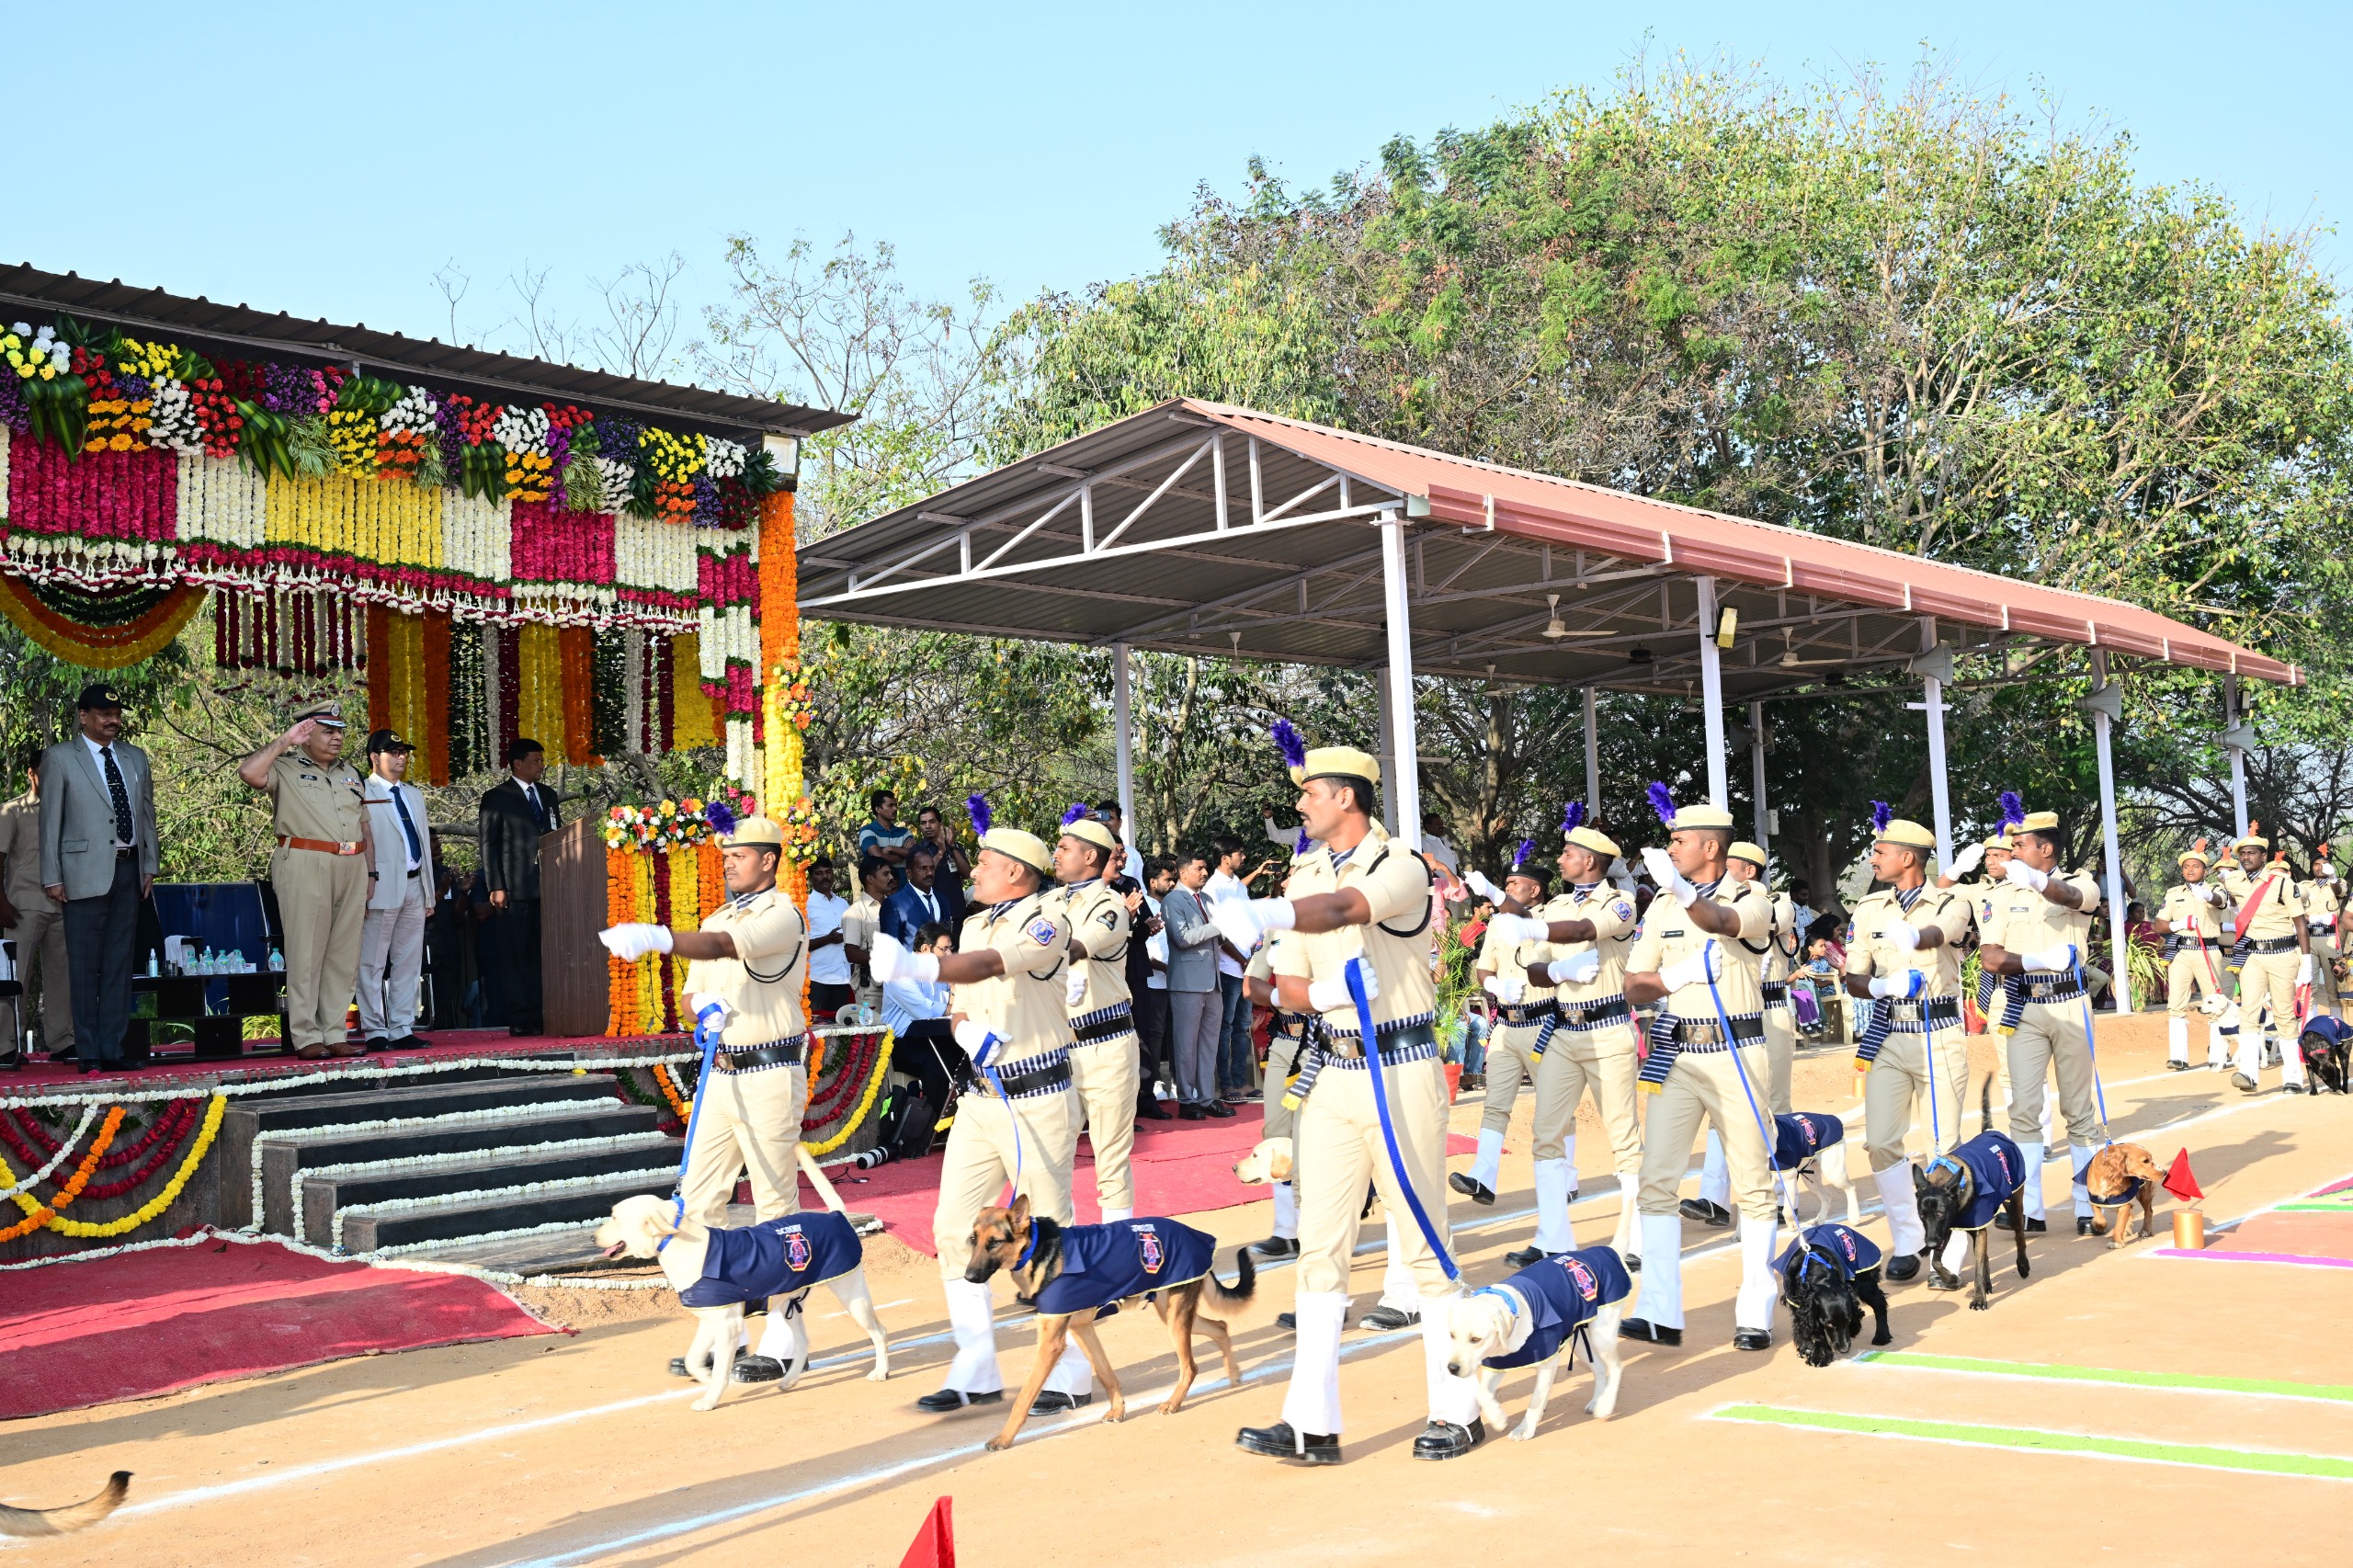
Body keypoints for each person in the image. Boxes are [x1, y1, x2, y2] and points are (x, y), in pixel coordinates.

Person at [1215, 740, 1483, 1464]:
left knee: (1424, 1239)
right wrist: (1326, 992)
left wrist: (1271, 912)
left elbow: (1344, 909)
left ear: (1346, 798)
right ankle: (1312, 1422)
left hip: (1398, 1063)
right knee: (1320, 1246)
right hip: (1331, 1066)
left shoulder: (1399, 863)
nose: (1299, 804)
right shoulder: (1306, 869)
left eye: (1310, 793)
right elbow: (1268, 988)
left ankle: (1457, 1409)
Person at [867, 815, 1095, 1416]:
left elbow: (993, 965)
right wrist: (972, 1039)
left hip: (1037, 1095)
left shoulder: (1048, 920)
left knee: (1047, 1229)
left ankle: (1069, 1368)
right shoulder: (970, 922)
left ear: (1016, 871)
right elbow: (962, 1005)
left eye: (987, 862)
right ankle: (976, 1363)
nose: (973, 869)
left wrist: (916, 967)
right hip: (981, 1096)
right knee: (952, 1227)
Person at [598, 815, 811, 1383]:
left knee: (774, 1203)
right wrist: (703, 1008)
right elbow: (693, 992)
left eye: (740, 854)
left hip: (771, 1068)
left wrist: (659, 937)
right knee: (697, 1200)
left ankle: (785, 1336)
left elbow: (722, 946)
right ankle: (726, 1330)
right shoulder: (718, 915)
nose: (729, 862)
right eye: (726, 855)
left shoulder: (781, 913)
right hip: (721, 1071)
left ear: (768, 859)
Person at [1617, 794, 1779, 1352]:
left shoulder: (1755, 897)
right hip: (1678, 1052)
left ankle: (1756, 1306)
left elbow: (1722, 921)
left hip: (1738, 1047)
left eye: (1679, 841)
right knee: (1656, 1181)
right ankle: (1660, 1308)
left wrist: (1688, 896)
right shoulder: (1661, 906)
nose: (1670, 850)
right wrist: (1673, 979)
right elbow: (1634, 985)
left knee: (1753, 1184)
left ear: (1710, 847)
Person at [1476, 815, 1643, 1270]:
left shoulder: (1621, 902)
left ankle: (1636, 1237)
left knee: (1623, 1135)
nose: (1561, 859)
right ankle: (1553, 1237)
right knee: (1546, 1133)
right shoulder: (1556, 907)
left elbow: (1587, 931)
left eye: (1568, 853)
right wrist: (1557, 972)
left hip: (1608, 1029)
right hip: (1565, 1032)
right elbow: (1534, 969)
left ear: (1589, 860)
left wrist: (1534, 931)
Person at [1840, 817, 1972, 1282]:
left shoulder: (1953, 900)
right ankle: (1910, 1237)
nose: (1873, 858)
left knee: (1943, 1149)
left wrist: (1913, 936)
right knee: (1878, 1141)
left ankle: (1949, 1252)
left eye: (1880, 851)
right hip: (1889, 1031)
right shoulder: (1870, 907)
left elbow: (1941, 934)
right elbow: (1853, 978)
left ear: (1908, 858)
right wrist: (1879, 985)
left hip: (1938, 1033)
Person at [1977, 808, 2109, 1233]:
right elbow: (1992, 957)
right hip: (2024, 1006)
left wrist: (2038, 883)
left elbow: (2074, 899)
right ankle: (2028, 1209)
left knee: (2079, 1109)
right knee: (2024, 1110)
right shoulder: (2001, 894)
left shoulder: (2081, 880)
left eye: (2019, 845)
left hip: (2070, 1003)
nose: (2010, 852)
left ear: (2045, 848)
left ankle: (2087, 1205)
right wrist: (2034, 960)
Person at [233, 702, 369, 1062]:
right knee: (306, 951)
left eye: (340, 730)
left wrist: (370, 872)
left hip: (352, 862)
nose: (338, 736)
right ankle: (306, 1035)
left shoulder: (351, 773)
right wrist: (284, 742)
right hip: (306, 860)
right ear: (306, 734)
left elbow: (364, 822)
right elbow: (248, 773)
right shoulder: (285, 766)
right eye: (328, 730)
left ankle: (335, 1031)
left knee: (343, 955)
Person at [1685, 839, 1799, 1227]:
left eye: (1729, 864)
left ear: (1749, 870)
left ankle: (1781, 1196)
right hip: (1732, 1012)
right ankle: (1714, 1198)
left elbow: (1772, 921)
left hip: (1769, 1009)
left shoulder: (1775, 900)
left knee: (1774, 1105)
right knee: (1723, 1108)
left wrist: (1744, 897)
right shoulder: (1711, 901)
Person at [1449, 852, 1559, 1210]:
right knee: (1495, 1105)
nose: (1507, 888)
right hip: (1507, 1023)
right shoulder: (1497, 924)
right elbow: (1484, 968)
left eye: (1514, 884)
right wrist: (1494, 985)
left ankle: (1565, 1177)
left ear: (1535, 890)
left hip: (1546, 1023)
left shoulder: (1553, 918)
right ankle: (1484, 1174)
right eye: (1506, 884)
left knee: (1554, 1106)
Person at [1047, 813, 1139, 1219]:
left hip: (1106, 1045)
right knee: (1052, 1155)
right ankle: (1059, 1250)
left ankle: (1118, 1249)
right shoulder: (1048, 902)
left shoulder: (1111, 906)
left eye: (1064, 848)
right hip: (1060, 1046)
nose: (1056, 854)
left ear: (1089, 856)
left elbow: (1073, 950)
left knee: (1111, 1156)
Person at [2216, 828, 2312, 1094]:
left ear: (2263, 856)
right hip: (2252, 955)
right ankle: (2248, 1072)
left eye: (2251, 853)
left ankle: (2292, 1075)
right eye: (2242, 853)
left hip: (2283, 953)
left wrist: (2307, 963)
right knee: (2248, 1011)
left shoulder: (2281, 883)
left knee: (2283, 1014)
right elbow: (2223, 888)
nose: (2246, 857)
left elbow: (2300, 924)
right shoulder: (2234, 881)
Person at [358, 729, 434, 1051]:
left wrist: (429, 893)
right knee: (372, 961)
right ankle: (374, 1029)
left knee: (408, 961)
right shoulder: (361, 791)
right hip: (380, 885)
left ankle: (402, 1027)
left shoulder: (414, 794)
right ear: (375, 757)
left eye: (404, 752)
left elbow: (425, 848)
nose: (401, 757)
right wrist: (362, 887)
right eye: (394, 752)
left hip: (415, 882)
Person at [478, 738, 558, 1037]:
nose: (540, 766)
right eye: (535, 761)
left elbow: (555, 834)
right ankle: (519, 1017)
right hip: (513, 888)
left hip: (546, 886)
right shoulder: (497, 797)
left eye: (541, 760)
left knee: (541, 955)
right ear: (517, 764)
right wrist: (496, 885)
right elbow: (489, 844)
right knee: (514, 956)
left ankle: (541, 1013)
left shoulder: (548, 795)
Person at [0, 752, 72, 1062]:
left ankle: (62, 1041)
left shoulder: (69, 810)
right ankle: (5, 1045)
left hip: (63, 906)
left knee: (63, 977)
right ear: (32, 773)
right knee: (15, 977)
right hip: (22, 906)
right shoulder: (11, 811)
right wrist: (0, 902)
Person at [2149, 843, 2234, 1070]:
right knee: (2175, 1003)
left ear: (2204, 870)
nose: (2190, 870)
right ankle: (2178, 1056)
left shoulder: (2217, 887)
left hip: (2208, 949)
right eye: (2187, 866)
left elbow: (2220, 901)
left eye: (2196, 866)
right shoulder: (2173, 893)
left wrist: (2205, 895)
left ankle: (2218, 1054)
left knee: (2215, 1002)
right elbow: (2159, 924)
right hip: (2181, 950)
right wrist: (2178, 924)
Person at [1161, 850, 1226, 1119]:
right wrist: (1219, 925)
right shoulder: (1173, 900)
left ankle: (1207, 1097)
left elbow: (1214, 937)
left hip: (1213, 980)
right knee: (1186, 1044)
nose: (1205, 872)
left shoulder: (1207, 899)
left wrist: (1229, 929)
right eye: (1199, 868)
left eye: (1206, 868)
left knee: (1209, 1043)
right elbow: (1182, 938)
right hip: (1187, 983)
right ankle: (1187, 1100)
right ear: (1183, 871)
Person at [1205, 835, 1261, 1102]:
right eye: (1239, 853)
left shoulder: (1238, 885)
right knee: (1225, 1027)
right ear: (1225, 857)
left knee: (1242, 1027)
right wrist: (1241, 958)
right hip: (1228, 967)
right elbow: (1219, 934)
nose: (1243, 857)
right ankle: (1226, 1084)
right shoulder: (1213, 886)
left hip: (1246, 965)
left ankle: (1241, 1082)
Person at [883, 921, 959, 1116]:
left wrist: (954, 985)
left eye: (951, 949)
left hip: (934, 1038)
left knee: (964, 1055)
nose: (949, 954)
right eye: (945, 949)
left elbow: (949, 1005)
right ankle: (937, 1125)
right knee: (935, 1063)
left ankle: (963, 1117)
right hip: (903, 1043)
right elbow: (925, 1011)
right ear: (926, 949)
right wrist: (958, 1007)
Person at [1124, 868, 1172, 1119]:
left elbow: (1144, 930)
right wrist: (1127, 917)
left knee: (1147, 1037)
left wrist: (1143, 923)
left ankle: (1147, 1097)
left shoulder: (1131, 884)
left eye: (1122, 853)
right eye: (1115, 854)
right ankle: (1127, 1104)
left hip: (1140, 972)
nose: (1121, 858)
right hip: (1116, 975)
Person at [841, 856, 896, 1012]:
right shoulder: (855, 912)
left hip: (898, 983)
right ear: (870, 879)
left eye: (890, 873)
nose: (891, 878)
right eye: (885, 874)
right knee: (874, 1033)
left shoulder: (895, 907)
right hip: (871, 987)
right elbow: (851, 953)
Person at [804, 859, 853, 1021]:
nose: (825, 876)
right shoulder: (805, 904)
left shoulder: (843, 903)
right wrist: (828, 939)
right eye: (819, 873)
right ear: (811, 878)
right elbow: (798, 946)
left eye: (828, 872)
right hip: (818, 978)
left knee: (840, 1031)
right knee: (818, 1030)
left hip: (842, 976)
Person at [881, 844, 954, 949]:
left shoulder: (943, 900)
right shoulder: (894, 903)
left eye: (932, 868)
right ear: (909, 873)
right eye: (923, 868)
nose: (929, 873)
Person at [2298, 850, 2343, 1019]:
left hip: (2329, 938)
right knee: (2311, 985)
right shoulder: (2304, 885)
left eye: (2324, 864)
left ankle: (2337, 1026)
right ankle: (2312, 1026)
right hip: (2308, 938)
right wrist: (2312, 918)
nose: (2319, 867)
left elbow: (2339, 891)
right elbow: (2296, 910)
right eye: (2316, 864)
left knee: (2334, 985)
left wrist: (2332, 877)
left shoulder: (2337, 883)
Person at [913, 803, 972, 907]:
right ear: (920, 827)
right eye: (923, 823)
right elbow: (920, 878)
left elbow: (967, 874)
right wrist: (940, 852)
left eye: (932, 821)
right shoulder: (917, 849)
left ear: (940, 824)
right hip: (932, 910)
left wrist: (952, 846)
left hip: (957, 908)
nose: (927, 826)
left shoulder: (954, 846)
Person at [857, 790, 915, 885]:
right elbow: (879, 859)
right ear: (878, 809)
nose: (895, 809)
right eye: (890, 805)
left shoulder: (905, 832)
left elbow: (914, 854)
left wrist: (891, 849)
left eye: (895, 805)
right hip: (879, 892)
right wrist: (903, 853)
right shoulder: (867, 831)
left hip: (904, 888)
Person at [1095, 799, 1144, 881]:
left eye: (1109, 818)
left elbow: (1142, 888)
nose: (1104, 823)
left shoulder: (1133, 854)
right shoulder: (1086, 850)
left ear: (1120, 822)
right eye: (1100, 818)